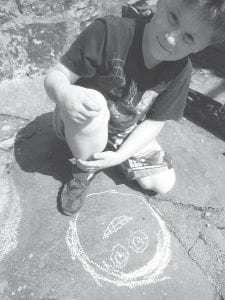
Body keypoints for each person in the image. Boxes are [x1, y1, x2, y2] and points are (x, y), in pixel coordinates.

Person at [44, 0, 225, 215]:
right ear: (162, 2)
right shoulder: (109, 31)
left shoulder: (180, 71)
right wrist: (64, 93)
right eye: (173, 17)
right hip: (78, 118)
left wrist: (121, 155)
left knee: (162, 183)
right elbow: (58, 74)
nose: (170, 38)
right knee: (96, 106)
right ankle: (83, 169)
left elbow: (156, 121)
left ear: (201, 46)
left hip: (123, 128)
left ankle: (108, 155)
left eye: (189, 37)